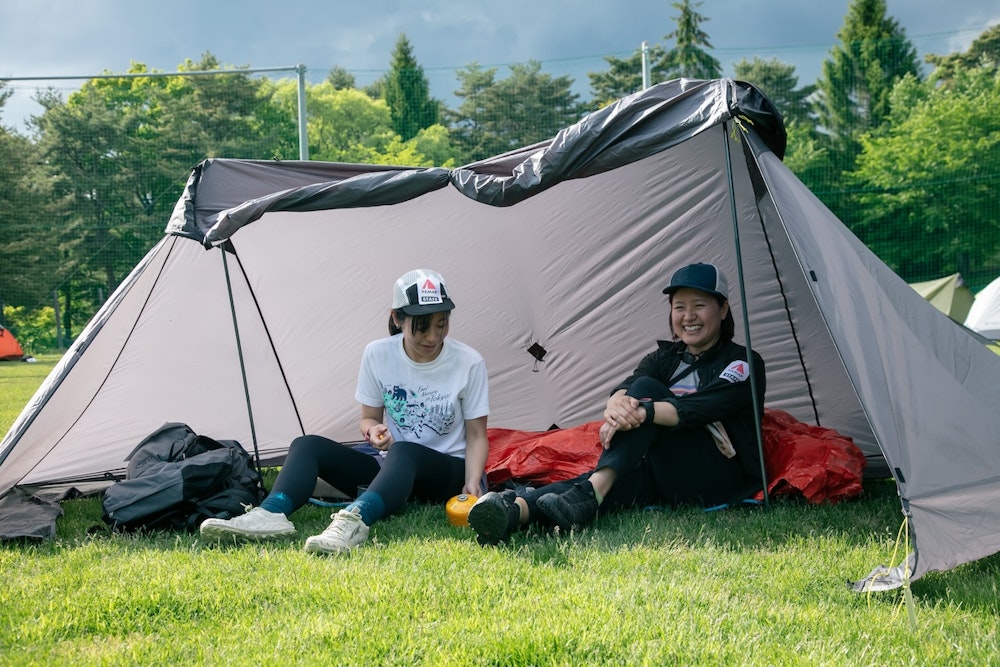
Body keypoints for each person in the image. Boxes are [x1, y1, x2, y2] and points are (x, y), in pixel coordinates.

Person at [468, 262, 765, 545]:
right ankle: (513, 511)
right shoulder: (664, 358)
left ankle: (593, 488)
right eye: (679, 307)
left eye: (699, 305)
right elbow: (626, 388)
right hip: (663, 473)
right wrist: (615, 408)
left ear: (723, 308)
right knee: (606, 479)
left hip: (718, 476)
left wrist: (639, 411)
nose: (688, 316)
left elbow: (695, 409)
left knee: (646, 392)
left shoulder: (742, 362)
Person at [200, 269, 490, 554]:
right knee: (307, 445)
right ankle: (270, 514)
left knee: (405, 451)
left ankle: (353, 522)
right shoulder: (378, 354)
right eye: (421, 327)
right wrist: (371, 431)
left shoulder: (469, 362)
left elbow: (477, 435)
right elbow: (370, 418)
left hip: (446, 472)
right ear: (397, 318)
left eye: (440, 325)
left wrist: (472, 481)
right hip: (392, 469)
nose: (432, 337)